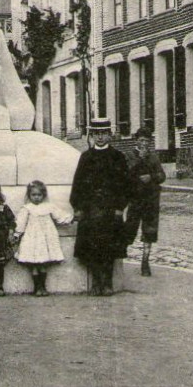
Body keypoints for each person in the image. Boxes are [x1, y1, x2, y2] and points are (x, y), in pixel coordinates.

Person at [70, 117, 131, 296]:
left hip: (110, 210)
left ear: (110, 135)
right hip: (90, 210)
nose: (100, 137)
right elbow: (78, 184)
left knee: (109, 248)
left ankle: (107, 282)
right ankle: (96, 282)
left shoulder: (117, 157)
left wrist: (120, 207)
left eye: (104, 133)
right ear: (92, 135)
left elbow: (125, 185)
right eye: (97, 134)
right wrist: (78, 207)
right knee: (92, 248)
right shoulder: (86, 157)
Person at [13, 180, 73, 296]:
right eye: (33, 195)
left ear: (43, 195)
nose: (36, 198)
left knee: (43, 264)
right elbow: (20, 223)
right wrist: (17, 234)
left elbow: (59, 216)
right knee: (34, 264)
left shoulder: (49, 207)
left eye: (39, 195)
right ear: (29, 195)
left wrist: (69, 219)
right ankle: (37, 288)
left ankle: (43, 287)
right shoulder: (27, 208)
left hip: (45, 239)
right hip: (32, 239)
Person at [123, 126, 166, 276]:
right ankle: (120, 259)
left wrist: (152, 177)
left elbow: (162, 176)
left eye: (147, 141)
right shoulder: (129, 155)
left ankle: (145, 263)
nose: (144, 144)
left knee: (149, 231)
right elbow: (126, 175)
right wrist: (139, 159)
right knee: (129, 230)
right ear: (136, 140)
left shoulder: (153, 157)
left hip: (151, 200)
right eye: (141, 140)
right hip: (135, 199)